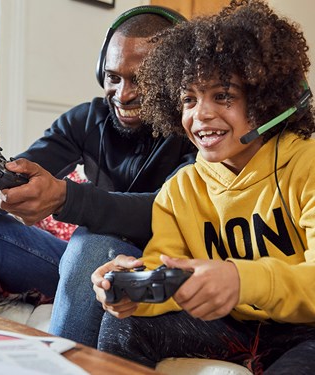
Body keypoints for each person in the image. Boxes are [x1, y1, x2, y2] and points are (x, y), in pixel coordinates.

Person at [0, 6, 196, 348]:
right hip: (84, 266)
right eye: (113, 77)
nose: (123, 94)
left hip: (152, 271)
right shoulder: (88, 119)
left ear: (177, 78)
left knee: (90, 243)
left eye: (141, 80)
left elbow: (167, 211)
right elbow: (21, 187)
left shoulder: (198, 129)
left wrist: (66, 198)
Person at [92, 0, 315, 372]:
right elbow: (169, 275)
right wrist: (132, 288)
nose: (201, 114)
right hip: (232, 326)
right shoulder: (181, 189)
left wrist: (242, 280)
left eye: (223, 96)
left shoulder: (306, 166)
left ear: (265, 102)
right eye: (188, 99)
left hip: (307, 330)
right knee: (124, 326)